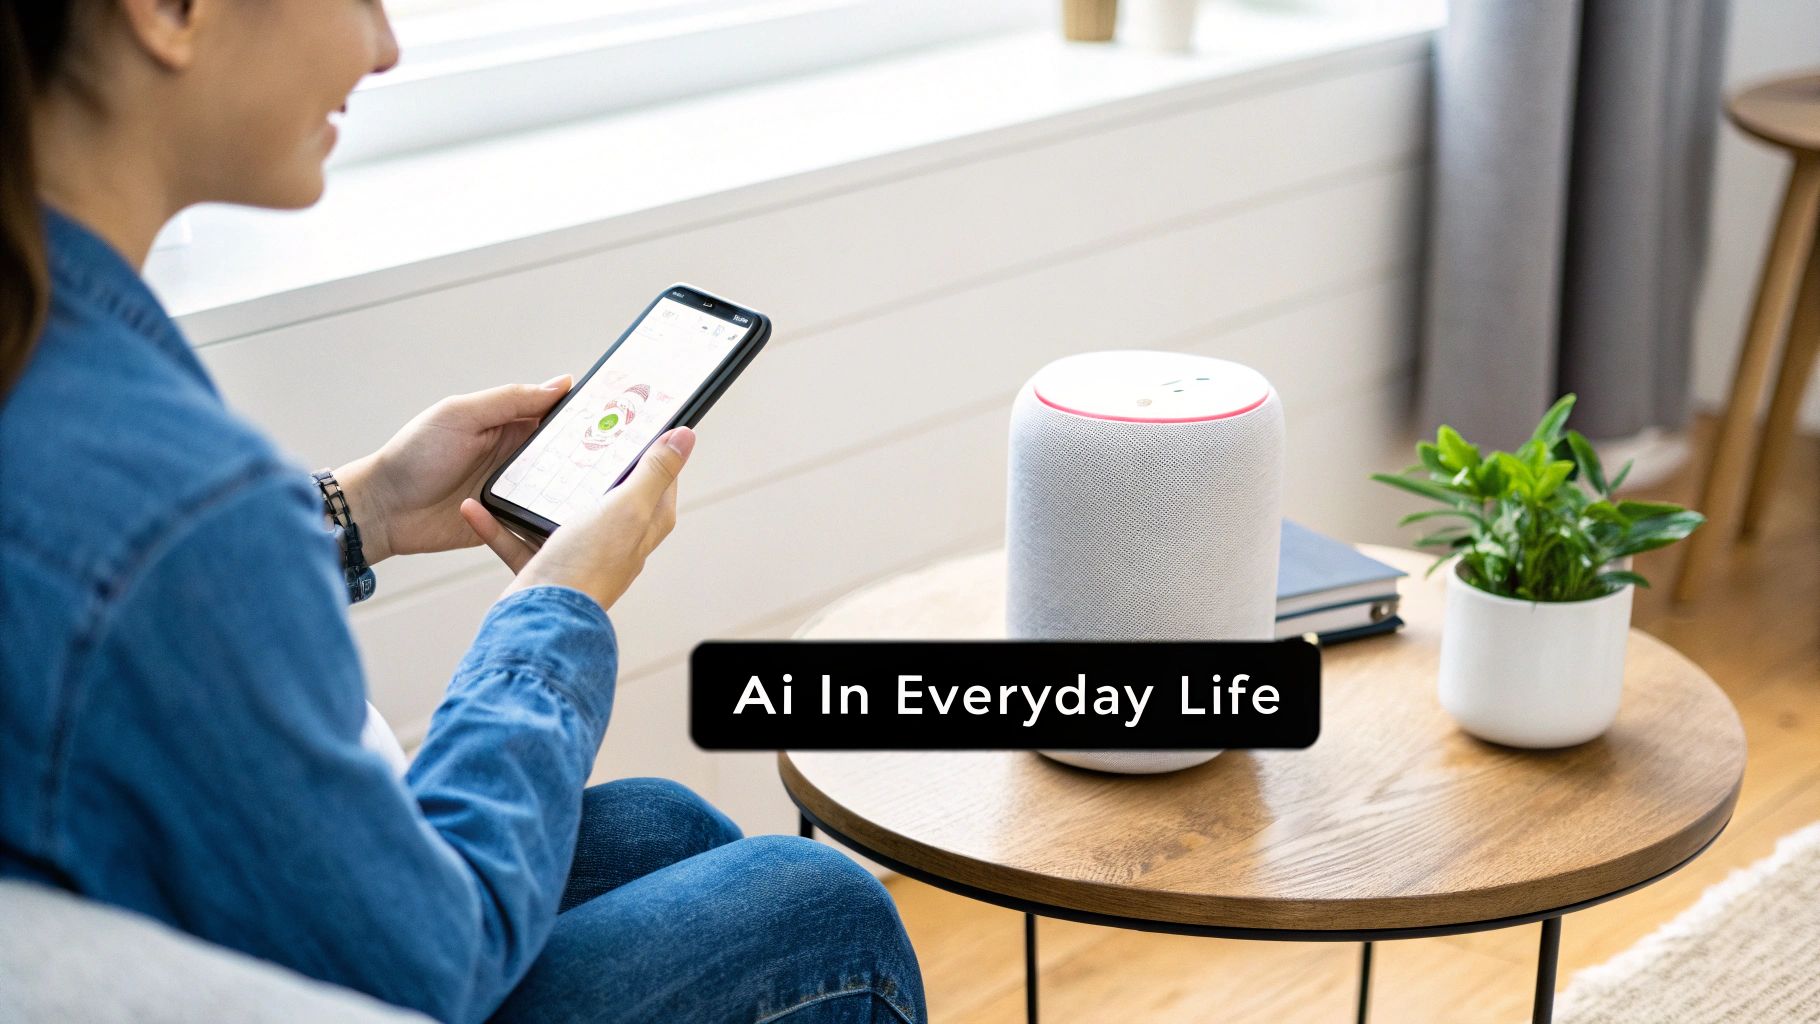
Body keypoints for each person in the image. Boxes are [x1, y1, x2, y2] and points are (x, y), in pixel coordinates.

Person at [0, 2, 926, 1022]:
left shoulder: (45, 368)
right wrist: (557, 608)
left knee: (659, 828)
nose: (385, 47)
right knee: (824, 910)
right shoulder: (178, 502)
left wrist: (367, 507)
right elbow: (433, 958)